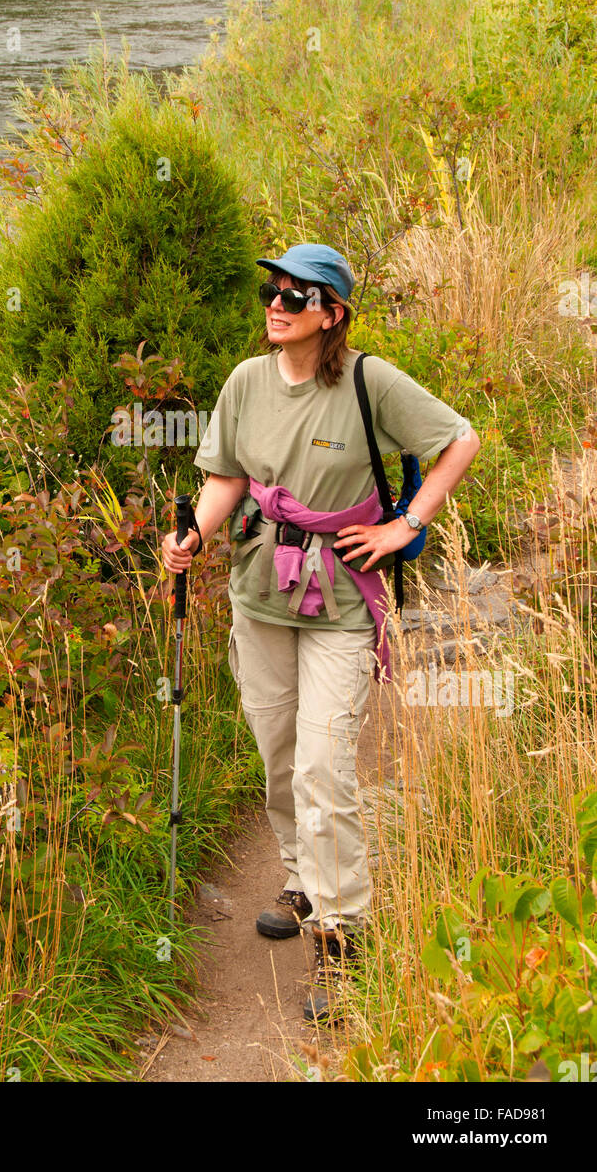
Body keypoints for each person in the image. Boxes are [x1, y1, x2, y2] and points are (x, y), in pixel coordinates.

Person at [161, 242, 480, 1022]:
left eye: (297, 296)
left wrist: (407, 523)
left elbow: (459, 438)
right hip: (258, 591)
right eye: (272, 291)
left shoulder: (369, 382)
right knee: (277, 755)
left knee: (324, 766)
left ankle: (342, 938)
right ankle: (301, 878)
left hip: (341, 601)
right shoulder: (245, 382)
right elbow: (226, 479)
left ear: (331, 314)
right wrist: (193, 536)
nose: (277, 304)